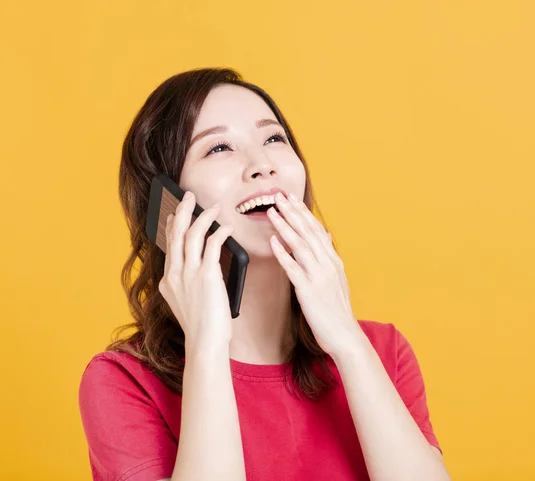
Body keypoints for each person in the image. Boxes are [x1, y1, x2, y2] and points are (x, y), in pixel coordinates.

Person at [78, 67, 451, 481]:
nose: (262, 165)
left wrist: (349, 343)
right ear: (167, 205)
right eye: (219, 148)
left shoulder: (384, 352)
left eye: (274, 139)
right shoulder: (124, 383)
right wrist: (208, 348)